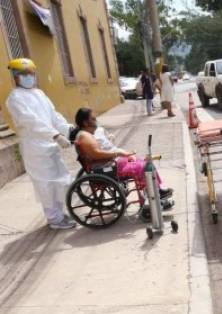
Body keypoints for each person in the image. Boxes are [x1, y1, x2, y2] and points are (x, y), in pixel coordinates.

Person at [5, 58, 76, 230]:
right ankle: (54, 219)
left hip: (50, 145)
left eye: (30, 73)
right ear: (15, 77)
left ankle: (60, 214)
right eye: (23, 74)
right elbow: (31, 122)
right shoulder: (14, 99)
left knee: (60, 180)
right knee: (45, 184)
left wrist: (68, 129)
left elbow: (53, 115)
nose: (28, 77)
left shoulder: (40, 94)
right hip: (34, 147)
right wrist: (55, 135)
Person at [71, 108, 173, 200]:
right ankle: (153, 195)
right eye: (93, 119)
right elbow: (96, 154)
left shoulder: (85, 134)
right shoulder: (85, 136)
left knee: (144, 161)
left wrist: (120, 154)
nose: (96, 122)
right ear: (85, 122)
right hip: (106, 169)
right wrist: (117, 153)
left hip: (108, 165)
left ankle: (156, 191)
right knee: (144, 167)